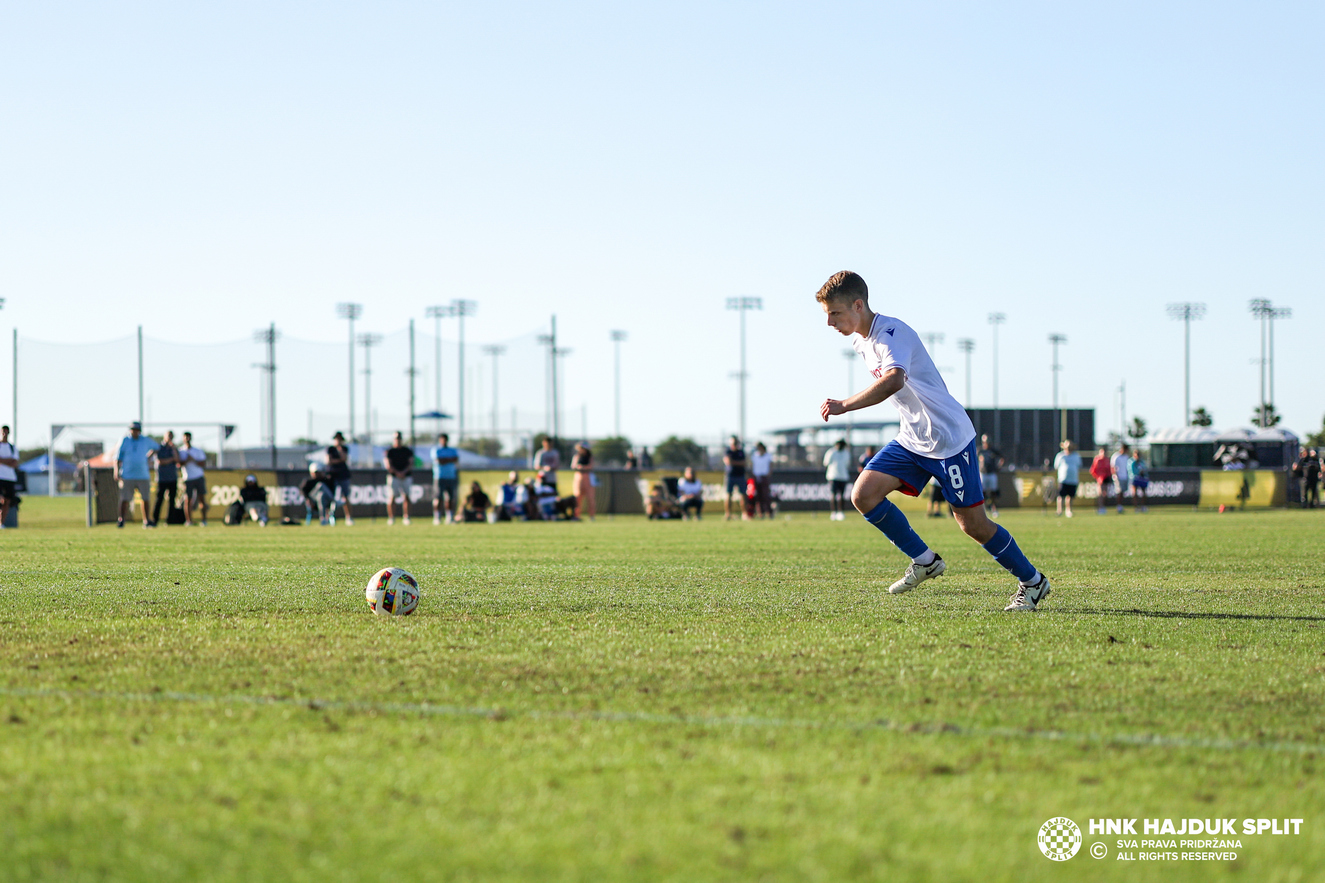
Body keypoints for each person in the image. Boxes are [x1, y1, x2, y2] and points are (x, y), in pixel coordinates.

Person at [816, 270, 1051, 612]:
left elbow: (895, 380)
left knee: (973, 525)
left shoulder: (889, 335)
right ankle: (925, 561)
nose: (830, 323)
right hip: (913, 439)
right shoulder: (859, 340)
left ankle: (1033, 582)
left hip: (948, 440)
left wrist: (845, 405)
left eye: (834, 314)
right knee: (863, 494)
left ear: (858, 305)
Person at [115, 421, 160, 528]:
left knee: (145, 498)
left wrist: (149, 456)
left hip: (143, 475)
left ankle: (146, 520)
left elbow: (157, 447)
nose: (135, 431)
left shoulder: (145, 440)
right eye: (133, 429)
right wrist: (116, 471)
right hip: (127, 475)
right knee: (125, 499)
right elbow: (117, 458)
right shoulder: (125, 440)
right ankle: (121, 520)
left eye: (136, 429)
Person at [148, 430, 180, 527]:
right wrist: (171, 459)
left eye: (171, 436)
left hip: (173, 478)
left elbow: (178, 460)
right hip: (162, 479)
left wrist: (173, 450)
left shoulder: (173, 448)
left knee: (172, 500)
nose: (170, 438)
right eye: (168, 436)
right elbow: (160, 461)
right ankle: (155, 519)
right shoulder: (159, 447)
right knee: (159, 500)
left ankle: (170, 520)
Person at [384, 431, 415, 526]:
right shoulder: (390, 451)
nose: (398, 440)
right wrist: (397, 473)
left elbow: (411, 463)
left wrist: (403, 472)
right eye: (396, 438)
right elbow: (388, 465)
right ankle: (391, 518)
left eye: (399, 438)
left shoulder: (407, 450)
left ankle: (406, 517)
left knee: (407, 497)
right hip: (394, 476)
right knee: (392, 497)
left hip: (406, 476)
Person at [177, 431, 208, 526]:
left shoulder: (197, 451)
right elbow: (178, 464)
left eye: (188, 437)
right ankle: (189, 520)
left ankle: (204, 520)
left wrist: (193, 459)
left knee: (201, 499)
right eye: (185, 437)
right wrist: (186, 460)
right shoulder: (181, 451)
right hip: (187, 478)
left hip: (198, 477)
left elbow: (203, 464)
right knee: (188, 500)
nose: (187, 439)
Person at [429, 432, 459, 525]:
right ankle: (437, 517)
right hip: (440, 477)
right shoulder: (436, 450)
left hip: (451, 476)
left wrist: (446, 459)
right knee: (438, 498)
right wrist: (449, 459)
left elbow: (456, 459)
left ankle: (449, 517)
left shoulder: (452, 450)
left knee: (450, 498)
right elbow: (439, 461)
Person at [327, 431, 354, 526]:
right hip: (333, 475)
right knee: (331, 497)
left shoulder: (344, 448)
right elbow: (329, 461)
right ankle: (329, 517)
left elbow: (344, 458)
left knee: (345, 496)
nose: (338, 441)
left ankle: (348, 517)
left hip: (343, 475)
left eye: (340, 439)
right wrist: (338, 460)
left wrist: (340, 450)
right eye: (336, 439)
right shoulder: (330, 449)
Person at [823, 439, 853, 521]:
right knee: (833, 494)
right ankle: (833, 512)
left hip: (843, 477)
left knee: (842, 495)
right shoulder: (831, 452)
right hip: (833, 476)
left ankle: (841, 512)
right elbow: (826, 463)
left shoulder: (846, 453)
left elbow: (847, 464)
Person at [978, 434, 1005, 519]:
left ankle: (993, 508)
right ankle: (984, 509)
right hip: (983, 473)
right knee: (982, 492)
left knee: (993, 492)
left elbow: (1002, 458)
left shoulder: (993, 450)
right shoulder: (980, 450)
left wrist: (998, 467)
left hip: (991, 473)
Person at [1053, 440, 1081, 518]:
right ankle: (1059, 510)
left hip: (1073, 479)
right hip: (1063, 479)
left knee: (1070, 496)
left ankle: (1069, 511)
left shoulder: (1076, 456)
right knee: (1061, 495)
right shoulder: (1060, 456)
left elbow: (1079, 466)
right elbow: (1056, 467)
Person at [722, 436, 747, 520]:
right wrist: (737, 462)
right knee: (728, 494)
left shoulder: (741, 452)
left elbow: (744, 463)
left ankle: (744, 513)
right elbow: (728, 462)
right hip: (730, 475)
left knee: (743, 494)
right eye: (733, 443)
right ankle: (728, 514)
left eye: (736, 443)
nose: (734, 445)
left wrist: (734, 462)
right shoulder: (727, 451)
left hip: (740, 475)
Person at [0, 425, 19, 528]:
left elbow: (15, 463)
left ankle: (1, 523)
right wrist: (8, 460)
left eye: (6, 432)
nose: (4, 434)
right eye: (3, 432)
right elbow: (11, 461)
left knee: (7, 501)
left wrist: (2, 460)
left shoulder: (12, 448)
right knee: (1, 499)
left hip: (10, 478)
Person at [571, 442, 595, 521]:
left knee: (590, 498)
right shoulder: (577, 457)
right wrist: (579, 467)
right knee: (578, 498)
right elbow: (573, 466)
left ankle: (592, 516)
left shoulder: (589, 457)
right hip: (578, 478)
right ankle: (577, 516)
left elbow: (590, 466)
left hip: (587, 479)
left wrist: (584, 467)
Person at [751, 442, 774, 518]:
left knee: (765, 495)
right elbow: (752, 466)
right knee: (757, 496)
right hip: (756, 477)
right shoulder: (754, 456)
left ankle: (769, 512)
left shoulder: (768, 456)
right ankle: (760, 512)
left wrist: (768, 474)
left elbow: (771, 466)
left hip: (764, 477)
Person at [1089, 447, 1112, 514]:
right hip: (1100, 479)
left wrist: (1109, 475)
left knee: (1105, 493)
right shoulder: (1097, 460)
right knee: (1100, 493)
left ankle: (1103, 506)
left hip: (1106, 478)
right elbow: (1093, 470)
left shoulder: (1107, 460)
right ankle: (1100, 507)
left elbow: (1109, 469)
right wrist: (1097, 477)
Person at [1111, 443, 1131, 515]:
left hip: (1125, 476)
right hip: (1118, 477)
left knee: (1123, 492)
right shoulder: (1116, 456)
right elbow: (1113, 467)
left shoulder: (1126, 457)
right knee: (1119, 492)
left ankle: (1121, 506)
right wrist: (1115, 476)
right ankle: (1118, 506)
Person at [1129, 448, 1149, 512]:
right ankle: (1136, 507)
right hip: (1134, 479)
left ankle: (1143, 506)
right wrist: (1139, 472)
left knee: (1143, 492)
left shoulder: (1142, 461)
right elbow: (1132, 471)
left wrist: (1143, 473)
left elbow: (1145, 469)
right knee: (1134, 493)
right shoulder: (1131, 462)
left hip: (1142, 478)